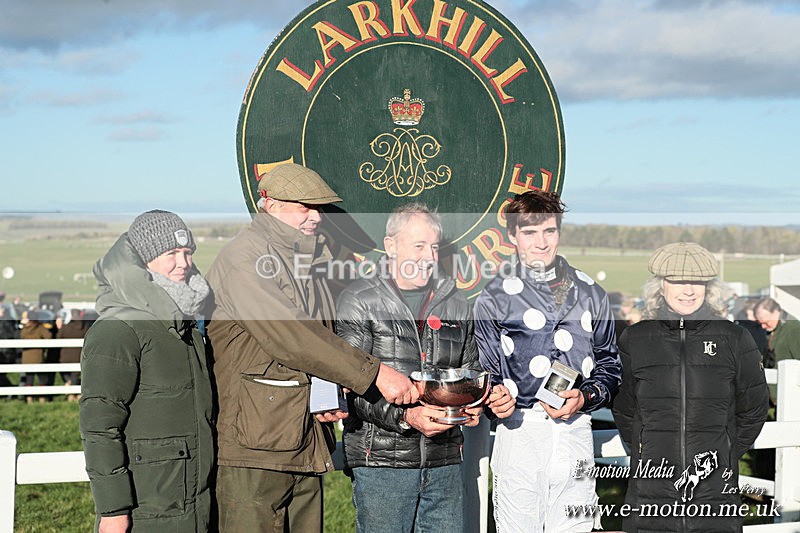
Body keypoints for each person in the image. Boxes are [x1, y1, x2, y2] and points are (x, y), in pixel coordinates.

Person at [204, 163, 418, 532]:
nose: (316, 217)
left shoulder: (306, 259)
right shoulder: (244, 259)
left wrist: (328, 392)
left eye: (319, 208)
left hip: (303, 436)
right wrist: (375, 373)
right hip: (256, 445)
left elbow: (321, 337)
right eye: (304, 207)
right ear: (270, 204)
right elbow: (290, 337)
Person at [336, 204, 516, 533]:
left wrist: (481, 403)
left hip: (444, 462)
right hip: (383, 465)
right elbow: (349, 385)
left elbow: (471, 372)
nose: (429, 257)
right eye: (418, 246)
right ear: (391, 246)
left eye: (434, 247)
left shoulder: (456, 303)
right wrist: (407, 417)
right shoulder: (358, 300)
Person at [473, 190, 621, 532]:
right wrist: (495, 396)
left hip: (576, 430)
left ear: (559, 231)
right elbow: (485, 372)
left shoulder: (592, 293)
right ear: (513, 236)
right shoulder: (493, 298)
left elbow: (611, 366)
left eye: (549, 231)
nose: (541, 242)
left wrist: (585, 397)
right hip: (521, 431)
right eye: (530, 232)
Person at [612, 242, 769, 533]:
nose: (688, 290)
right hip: (650, 492)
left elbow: (754, 409)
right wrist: (649, 451)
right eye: (678, 281)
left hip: (715, 494)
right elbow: (624, 409)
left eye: (696, 282)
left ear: (708, 287)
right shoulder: (635, 338)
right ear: (661, 286)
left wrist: (723, 454)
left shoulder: (735, 338)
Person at [79, 210, 214, 532]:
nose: (183, 263)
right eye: (171, 253)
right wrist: (113, 510)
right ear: (144, 259)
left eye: (188, 252)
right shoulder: (118, 329)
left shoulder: (185, 323)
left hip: (194, 501)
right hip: (147, 506)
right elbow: (99, 426)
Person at [20, 309, 53, 403]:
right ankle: (42, 398)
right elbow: (49, 336)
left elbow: (21, 337)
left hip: (26, 358)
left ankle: (29, 398)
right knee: (42, 379)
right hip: (38, 357)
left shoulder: (24, 329)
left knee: (29, 379)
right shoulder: (40, 327)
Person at [57, 308, 86, 401]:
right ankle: (74, 394)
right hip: (78, 356)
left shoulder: (65, 327)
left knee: (66, 374)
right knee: (75, 375)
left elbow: (58, 337)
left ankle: (71, 393)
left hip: (65, 356)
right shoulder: (84, 328)